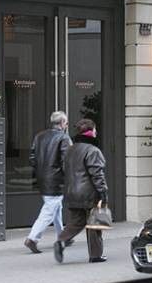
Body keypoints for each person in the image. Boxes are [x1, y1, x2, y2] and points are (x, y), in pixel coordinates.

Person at [54, 119, 108, 264]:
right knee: (94, 224)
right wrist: (103, 192)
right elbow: (97, 174)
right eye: (95, 130)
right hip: (89, 193)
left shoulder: (70, 150)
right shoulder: (93, 150)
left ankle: (61, 241)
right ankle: (96, 255)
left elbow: (65, 170)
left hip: (72, 192)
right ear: (92, 132)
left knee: (76, 222)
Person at [24, 111, 72, 254]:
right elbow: (67, 161)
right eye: (67, 122)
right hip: (56, 180)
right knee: (49, 211)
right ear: (63, 123)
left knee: (55, 208)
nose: (67, 125)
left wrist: (40, 170)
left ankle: (63, 237)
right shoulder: (64, 138)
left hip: (42, 178)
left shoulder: (39, 136)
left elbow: (32, 158)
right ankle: (33, 238)